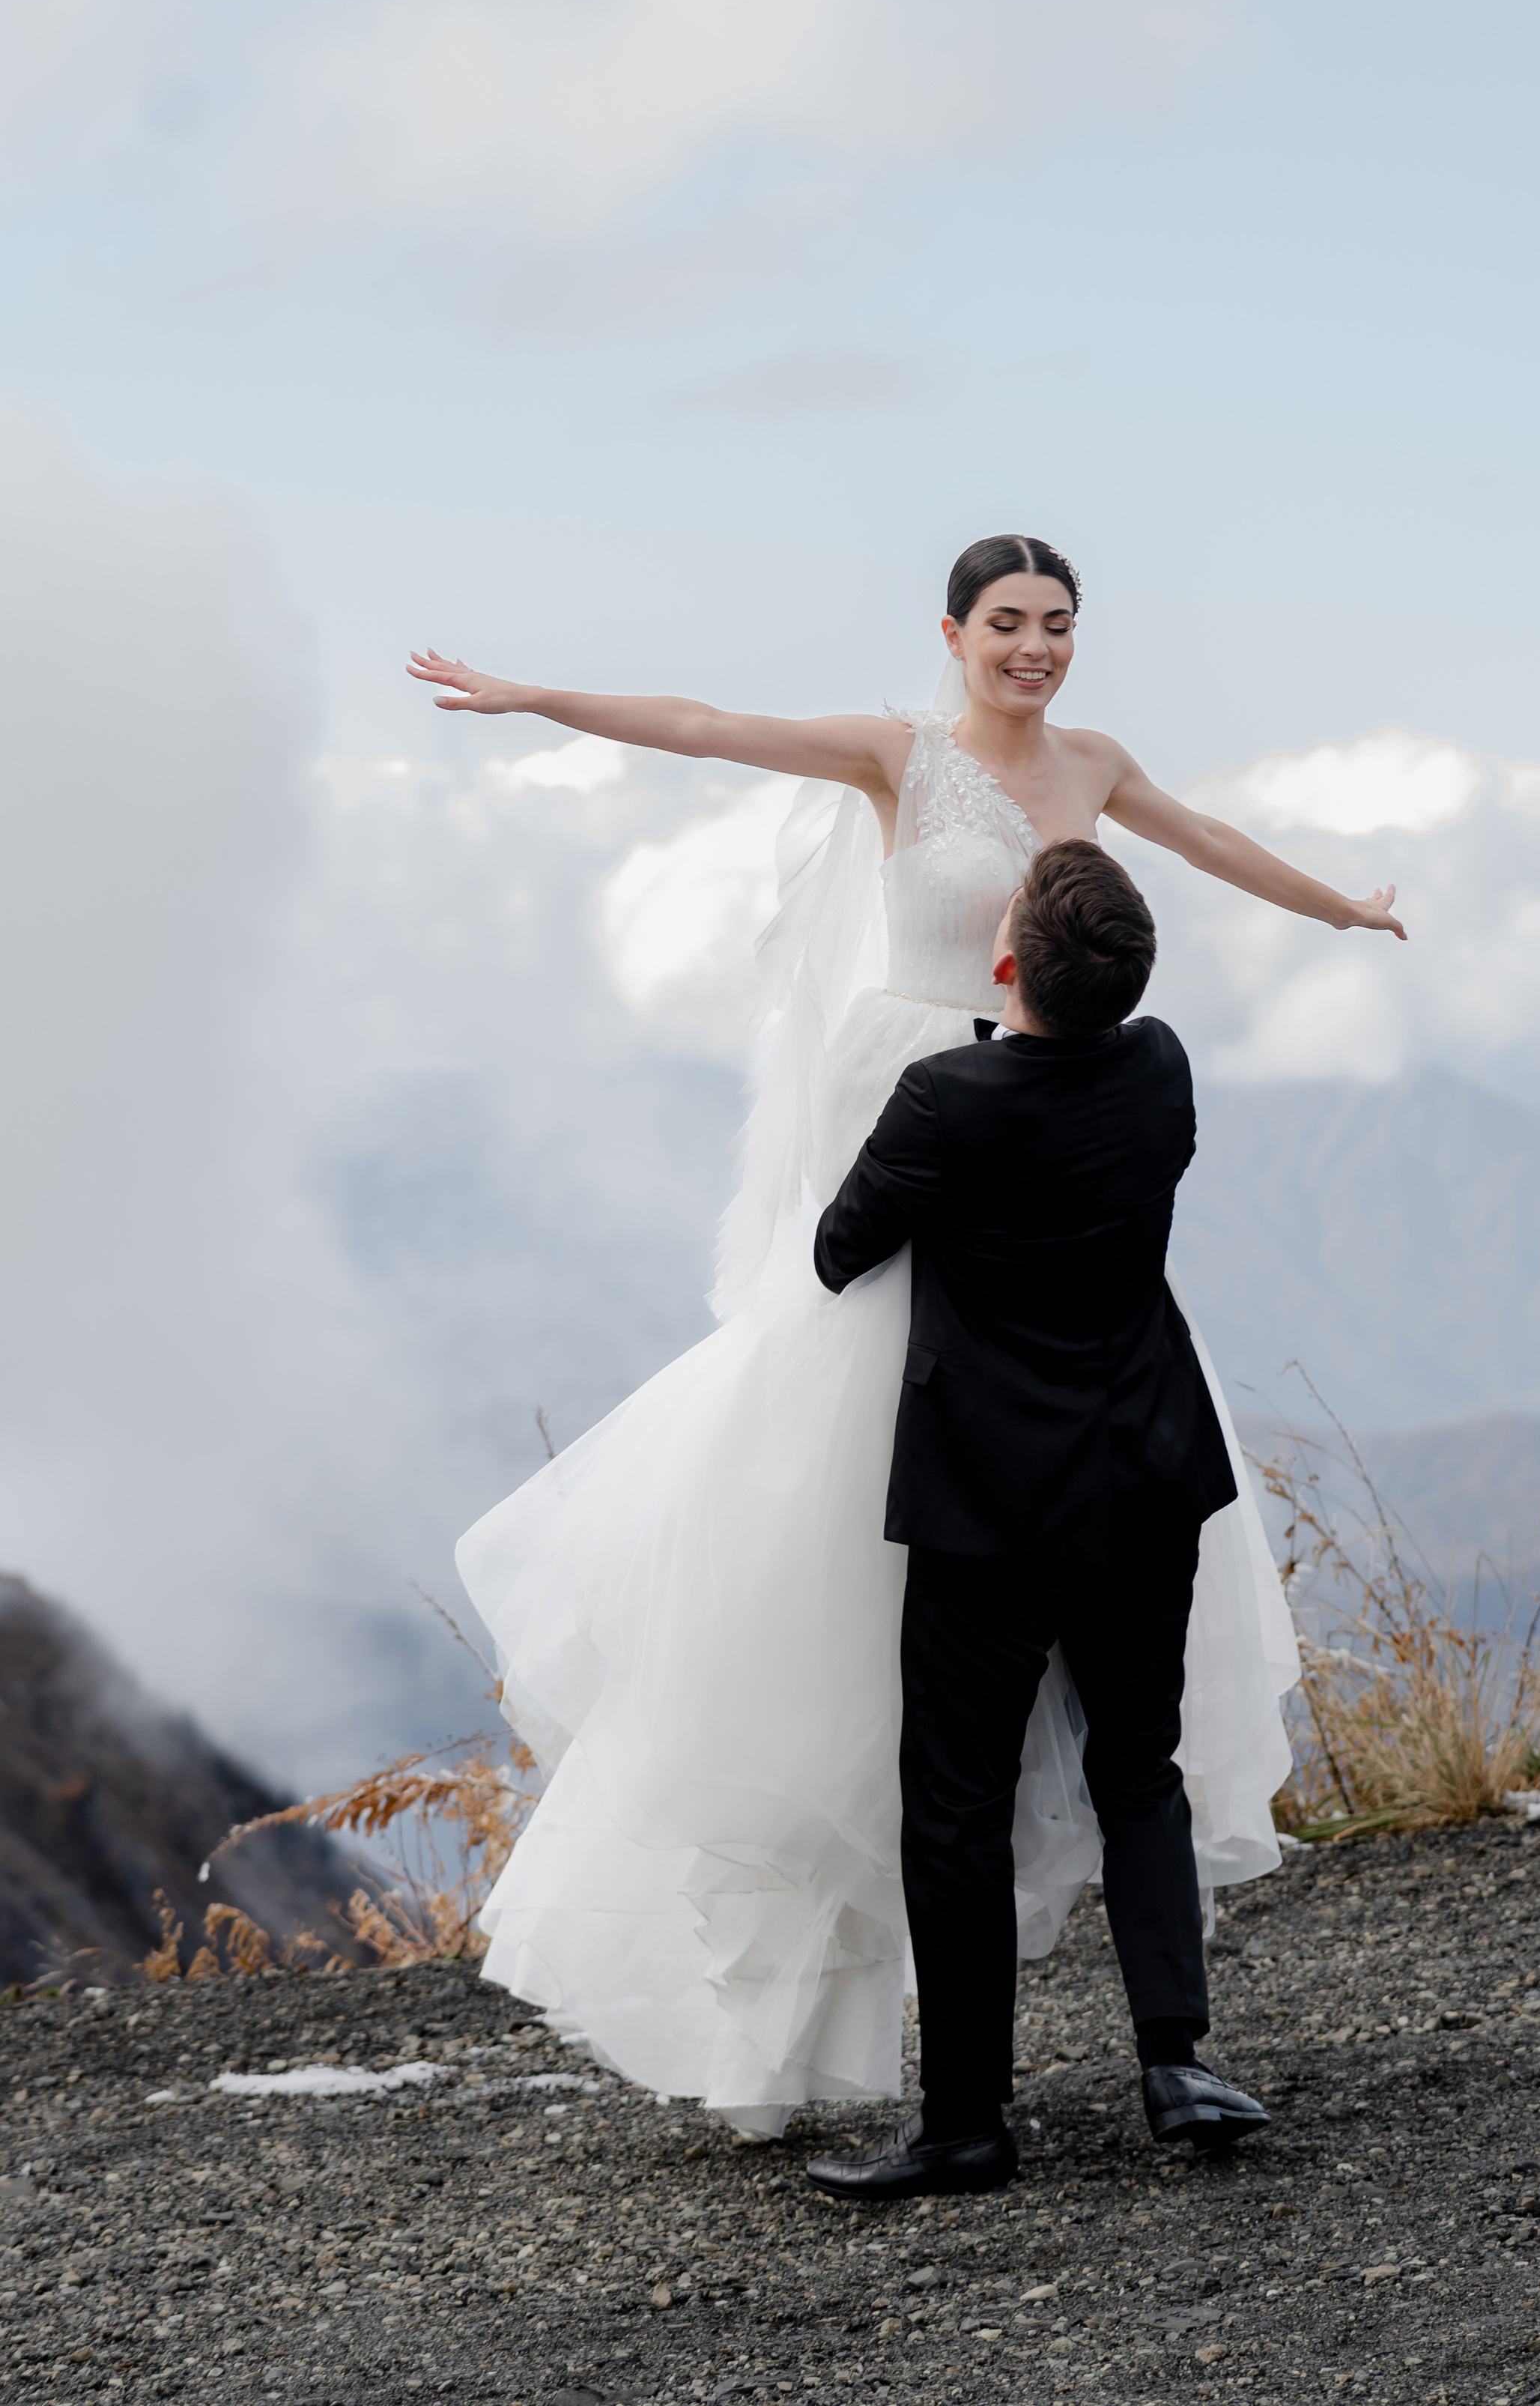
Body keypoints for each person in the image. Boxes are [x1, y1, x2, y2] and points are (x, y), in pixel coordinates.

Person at [410, 533, 1405, 2139]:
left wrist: (1338, 913)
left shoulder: (1095, 763)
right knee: (828, 1569)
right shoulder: (898, 758)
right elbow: (709, 723)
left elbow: (1206, 840)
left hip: (1041, 1135)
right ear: (950, 634)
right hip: (918, 1141)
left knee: (1029, 1610)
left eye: (1057, 624)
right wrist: (535, 697)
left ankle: (1019, 2090)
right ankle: (886, 2019)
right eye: (1006, 623)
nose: (1035, 648)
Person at [807, 840, 1271, 2199]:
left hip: (987, 1503)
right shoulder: (1163, 1067)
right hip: (1144, 1472)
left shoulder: (942, 1101)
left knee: (956, 1803)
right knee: (1141, 1766)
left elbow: (842, 1249)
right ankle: (1175, 2064)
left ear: (1005, 964)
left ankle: (965, 2124)